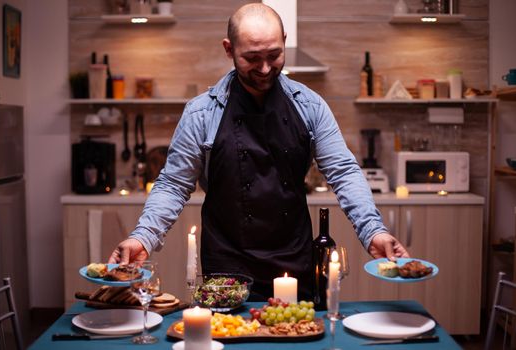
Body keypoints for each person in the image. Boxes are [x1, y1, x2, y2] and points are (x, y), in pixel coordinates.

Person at [109, 3, 409, 300]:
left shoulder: (311, 106)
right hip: (227, 261)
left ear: (285, 42)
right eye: (252, 58)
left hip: (294, 259)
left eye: (274, 55)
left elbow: (343, 173)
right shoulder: (201, 113)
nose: (265, 69)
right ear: (229, 49)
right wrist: (143, 237)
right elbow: (174, 184)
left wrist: (373, 231)